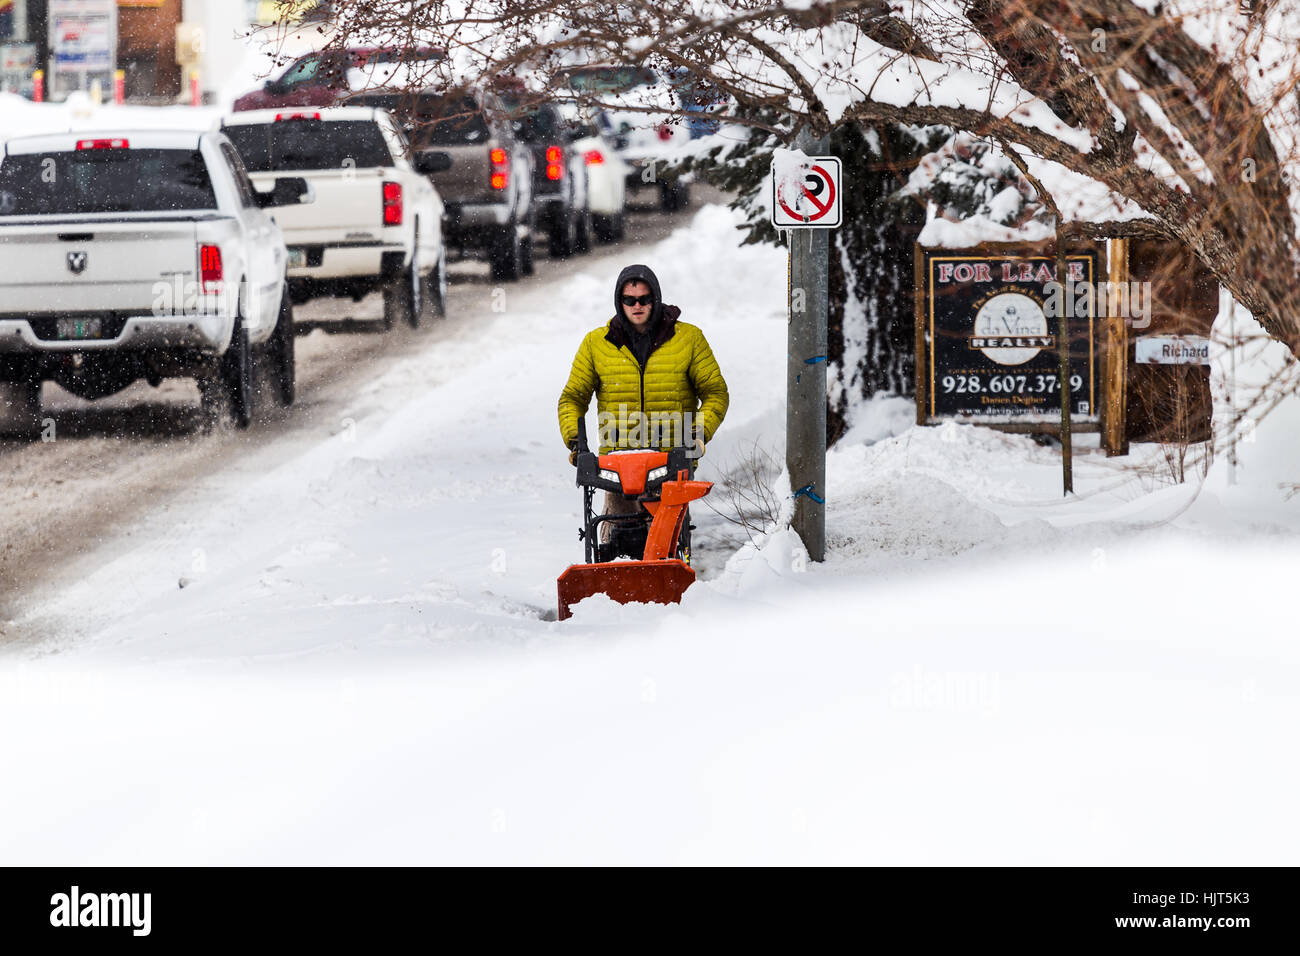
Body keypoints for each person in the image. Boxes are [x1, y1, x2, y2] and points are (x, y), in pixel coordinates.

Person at [558, 263, 729, 542]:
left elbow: (715, 393)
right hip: (616, 466)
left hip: (672, 461)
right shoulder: (596, 344)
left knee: (665, 543)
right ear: (619, 302)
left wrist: (697, 434)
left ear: (655, 299)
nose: (637, 306)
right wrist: (577, 442)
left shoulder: (689, 339)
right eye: (629, 300)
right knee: (617, 541)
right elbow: (572, 397)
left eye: (644, 299)